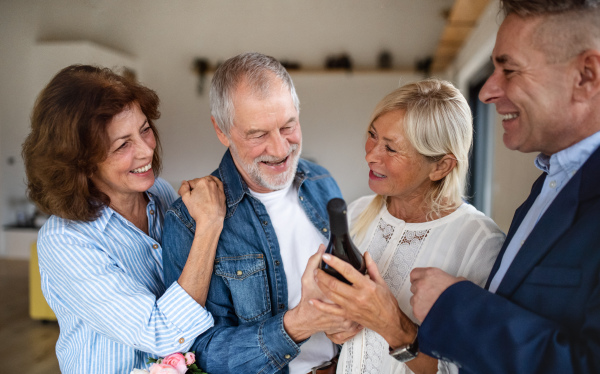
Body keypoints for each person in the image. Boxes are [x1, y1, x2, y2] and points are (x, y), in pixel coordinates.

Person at [407, 1, 600, 373]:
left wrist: (455, 306)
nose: (487, 92)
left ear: (586, 76)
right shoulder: (549, 184)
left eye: (509, 70)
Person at [162, 52, 360, 374]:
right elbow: (202, 350)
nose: (281, 149)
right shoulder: (187, 222)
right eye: (258, 135)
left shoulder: (323, 182)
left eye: (288, 126)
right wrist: (296, 325)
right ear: (222, 131)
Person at [22, 65, 226, 374]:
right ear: (81, 161)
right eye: (122, 145)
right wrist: (209, 226)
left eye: (144, 130)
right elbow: (162, 333)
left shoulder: (158, 192)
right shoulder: (64, 240)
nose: (145, 151)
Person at [311, 79, 505, 374]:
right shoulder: (359, 211)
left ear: (441, 166)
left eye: (390, 148)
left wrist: (394, 326)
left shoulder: (480, 242)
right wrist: (335, 329)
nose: (371, 155)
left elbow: (479, 368)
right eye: (372, 136)